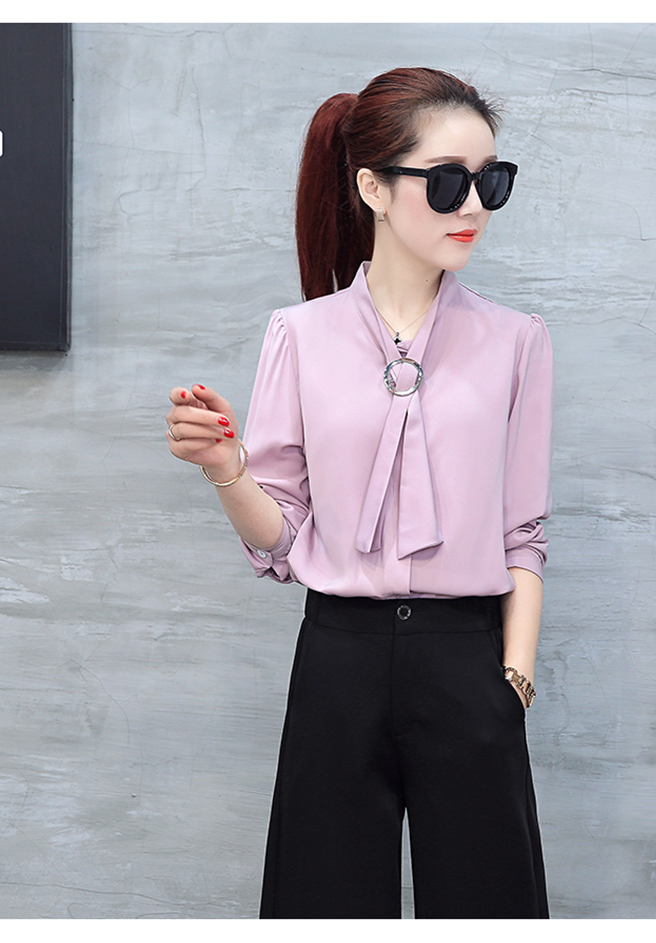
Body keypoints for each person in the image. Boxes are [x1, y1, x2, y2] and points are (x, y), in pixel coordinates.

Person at [165, 66, 553, 919]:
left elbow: (522, 531)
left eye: (491, 181)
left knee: (490, 907)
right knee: (322, 903)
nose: (473, 206)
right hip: (339, 658)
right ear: (373, 187)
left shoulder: (517, 341)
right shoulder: (298, 336)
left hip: (468, 658)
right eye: (447, 182)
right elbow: (282, 535)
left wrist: (513, 677)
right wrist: (225, 467)